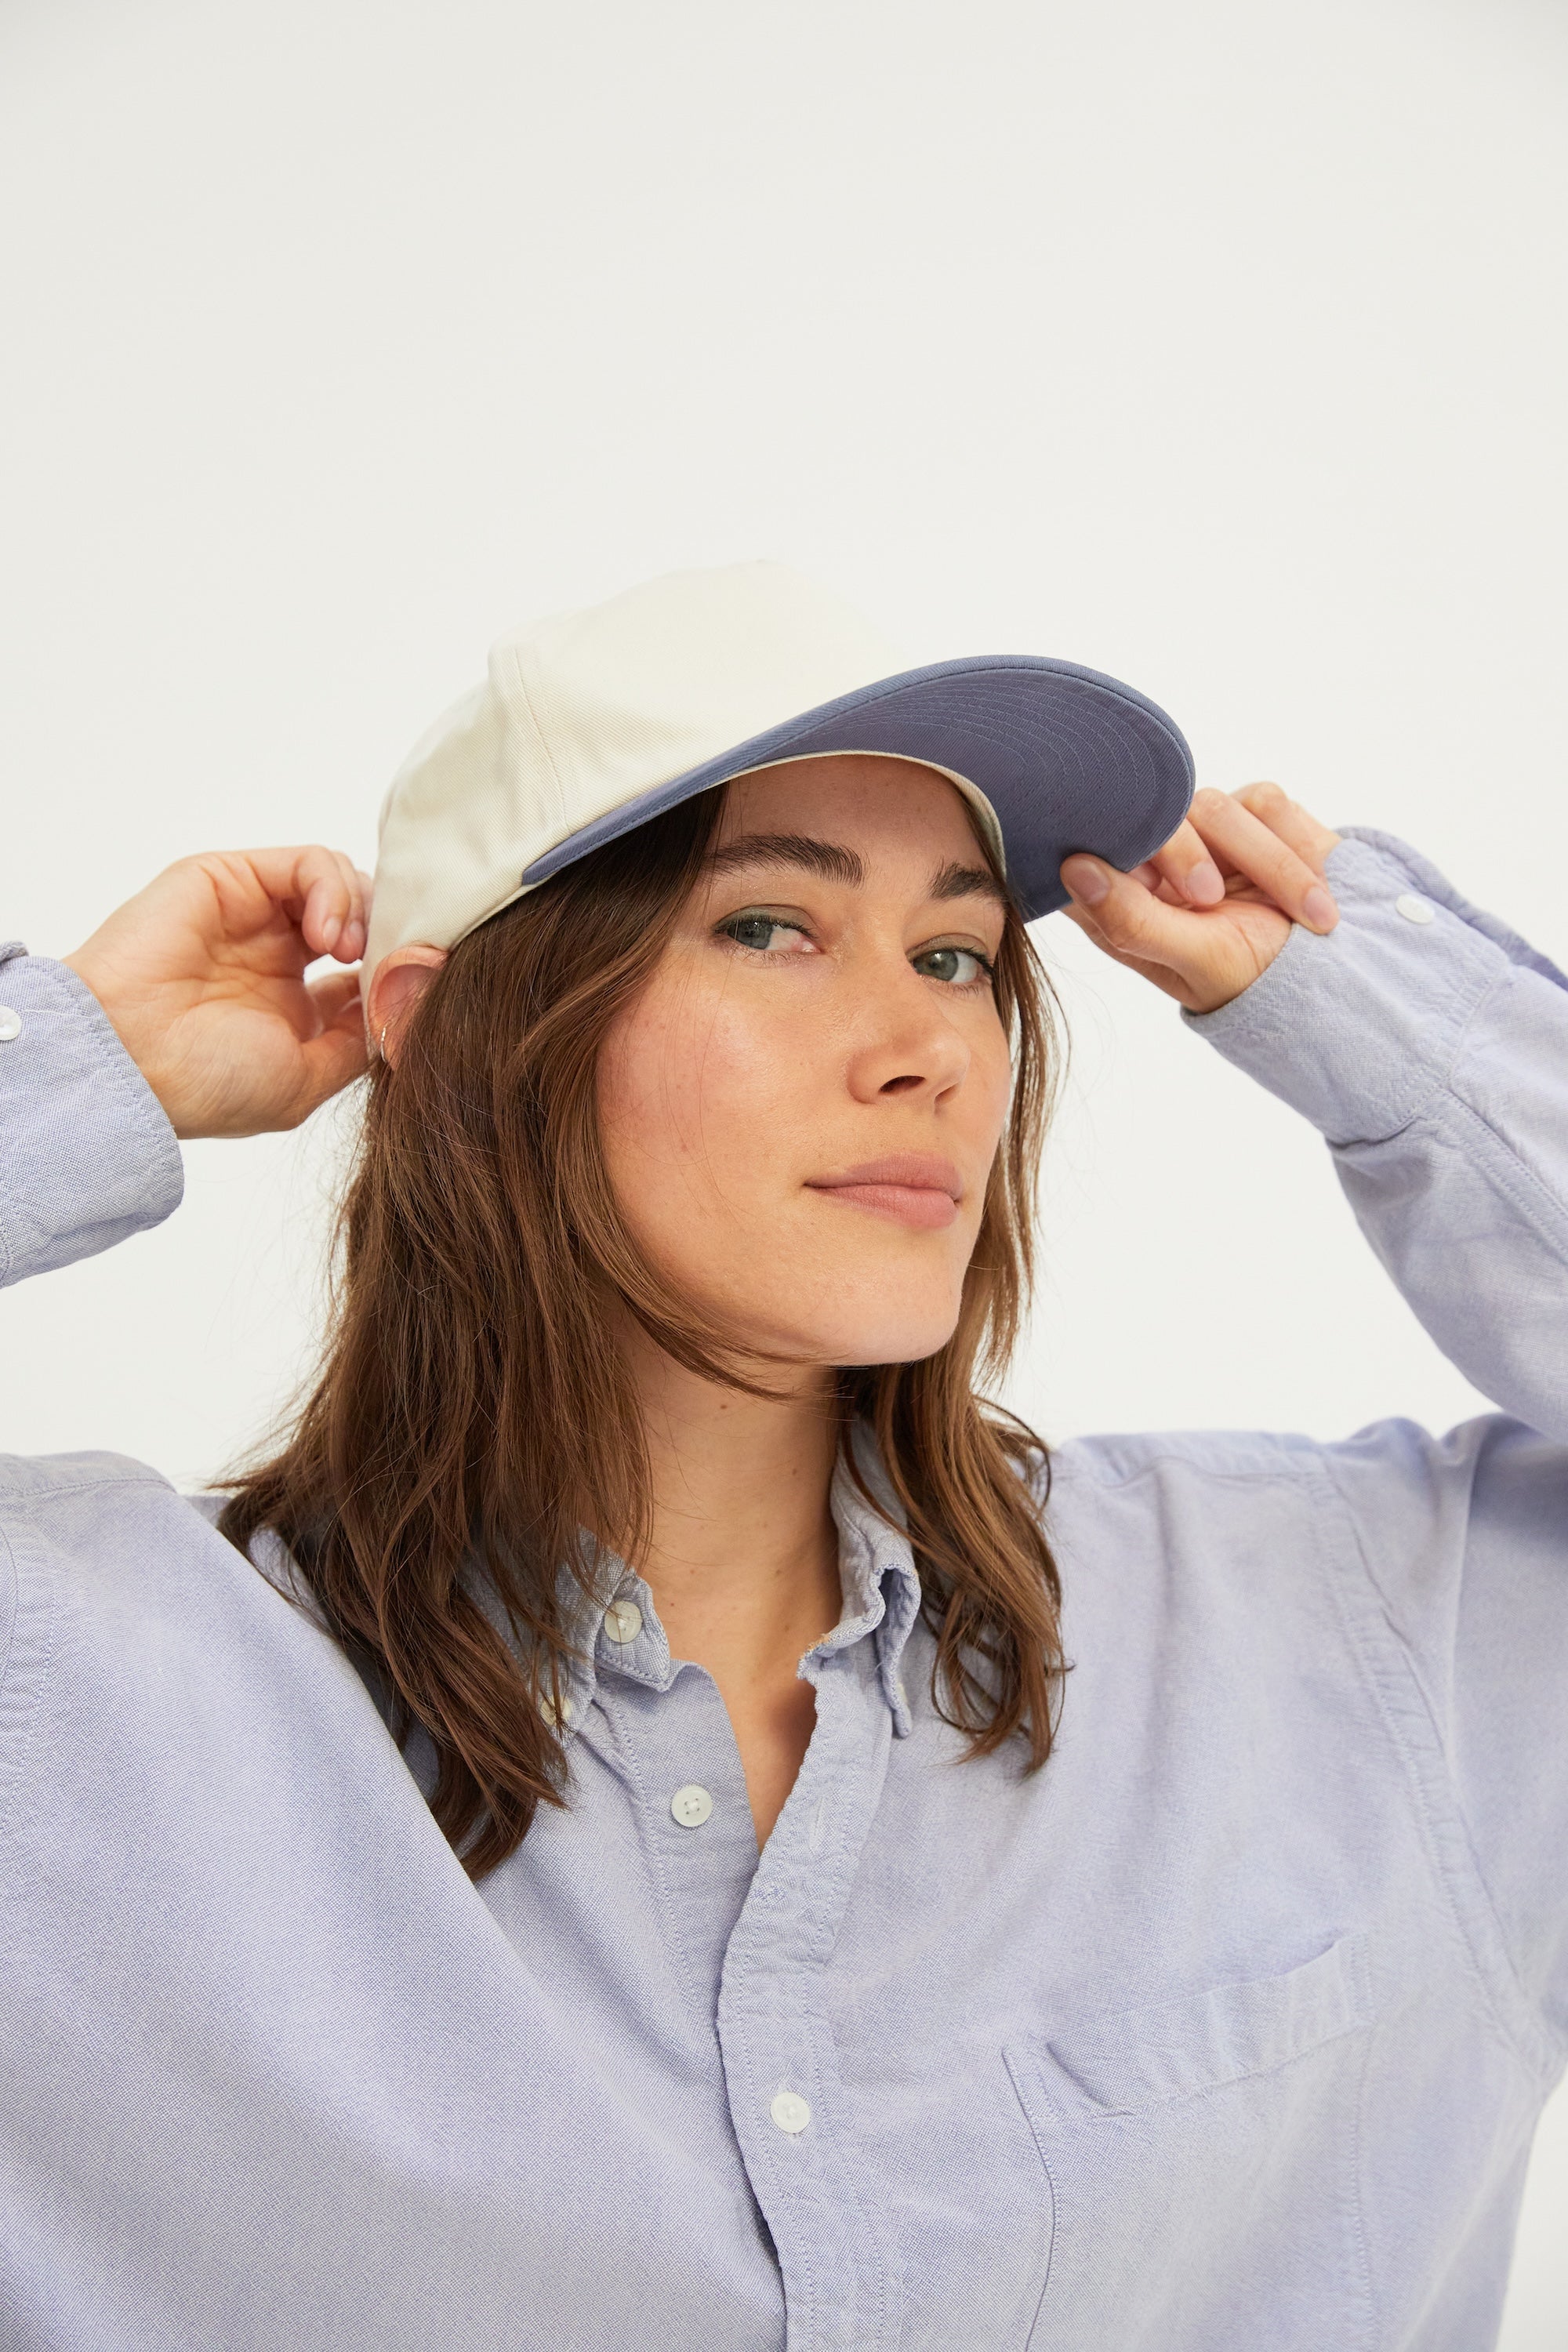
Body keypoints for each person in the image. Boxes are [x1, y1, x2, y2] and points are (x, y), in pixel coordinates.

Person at [1, 561, 1563, 2352]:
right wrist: (70, 1076)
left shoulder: (1369, 1637)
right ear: (445, 1039)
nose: (924, 1053)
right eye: (768, 928)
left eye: (958, 955)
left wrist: (1382, 1015)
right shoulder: (84, 1720)